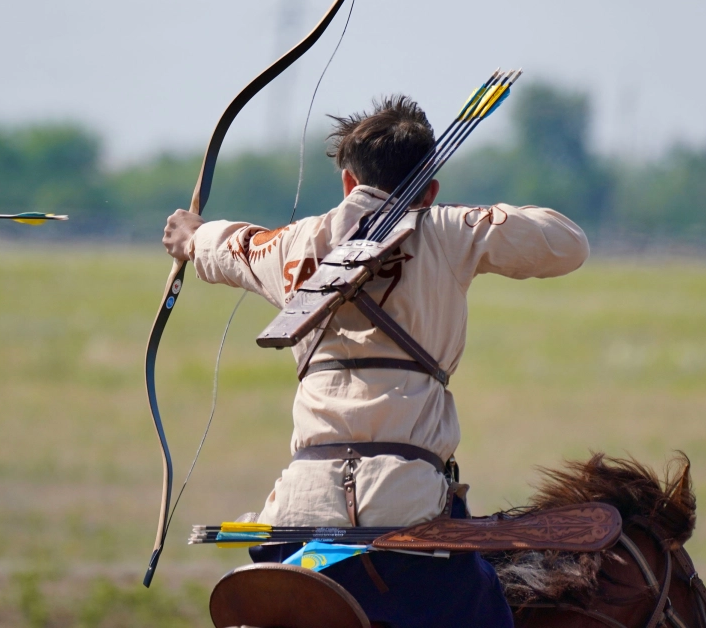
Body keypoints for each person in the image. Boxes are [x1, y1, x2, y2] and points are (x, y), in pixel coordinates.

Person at [162, 94, 589, 628]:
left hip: (299, 511)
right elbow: (568, 243)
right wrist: (465, 217)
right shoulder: (451, 229)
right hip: (408, 505)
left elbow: (227, 244)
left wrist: (191, 235)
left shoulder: (294, 244)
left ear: (346, 182)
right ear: (430, 189)